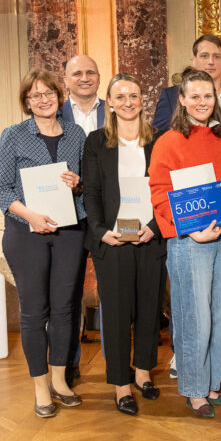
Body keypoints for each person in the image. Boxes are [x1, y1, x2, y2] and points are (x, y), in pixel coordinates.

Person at [0, 69, 86, 418]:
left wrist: (77, 182)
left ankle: (61, 381)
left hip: (68, 233)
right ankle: (40, 387)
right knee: (34, 313)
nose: (43, 100)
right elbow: (1, 189)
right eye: (35, 95)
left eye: (49, 93)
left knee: (65, 309)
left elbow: (82, 184)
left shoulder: (76, 133)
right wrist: (31, 216)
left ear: (58, 97)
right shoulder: (13, 135)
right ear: (26, 102)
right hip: (25, 233)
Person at [154, 35, 221, 378]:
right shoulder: (168, 142)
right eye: (195, 96)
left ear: (216, 98)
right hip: (188, 240)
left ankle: (212, 384)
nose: (202, 102)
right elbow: (161, 193)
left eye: (207, 96)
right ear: (182, 99)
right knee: (195, 317)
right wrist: (191, 230)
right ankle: (194, 390)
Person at [82, 73, 167, 415]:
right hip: (112, 241)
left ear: (141, 99)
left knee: (149, 308)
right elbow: (91, 191)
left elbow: (168, 188)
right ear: (110, 103)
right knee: (116, 313)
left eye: (133, 95)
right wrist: (100, 230)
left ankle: (144, 371)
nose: (128, 101)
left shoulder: (159, 139)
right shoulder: (95, 141)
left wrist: (155, 227)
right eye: (120, 96)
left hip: (149, 237)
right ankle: (120, 382)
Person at [61, 54, 104, 387]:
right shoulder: (51, 113)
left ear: (99, 77)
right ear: (66, 80)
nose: (85, 77)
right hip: (69, 214)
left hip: (109, 214)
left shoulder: (117, 110)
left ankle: (116, 364)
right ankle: (68, 363)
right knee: (68, 292)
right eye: (77, 73)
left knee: (114, 291)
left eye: (91, 72)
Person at [153, 34, 221, 136]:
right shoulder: (170, 96)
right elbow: (157, 138)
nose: (211, 62)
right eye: (204, 56)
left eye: (216, 56)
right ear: (194, 60)